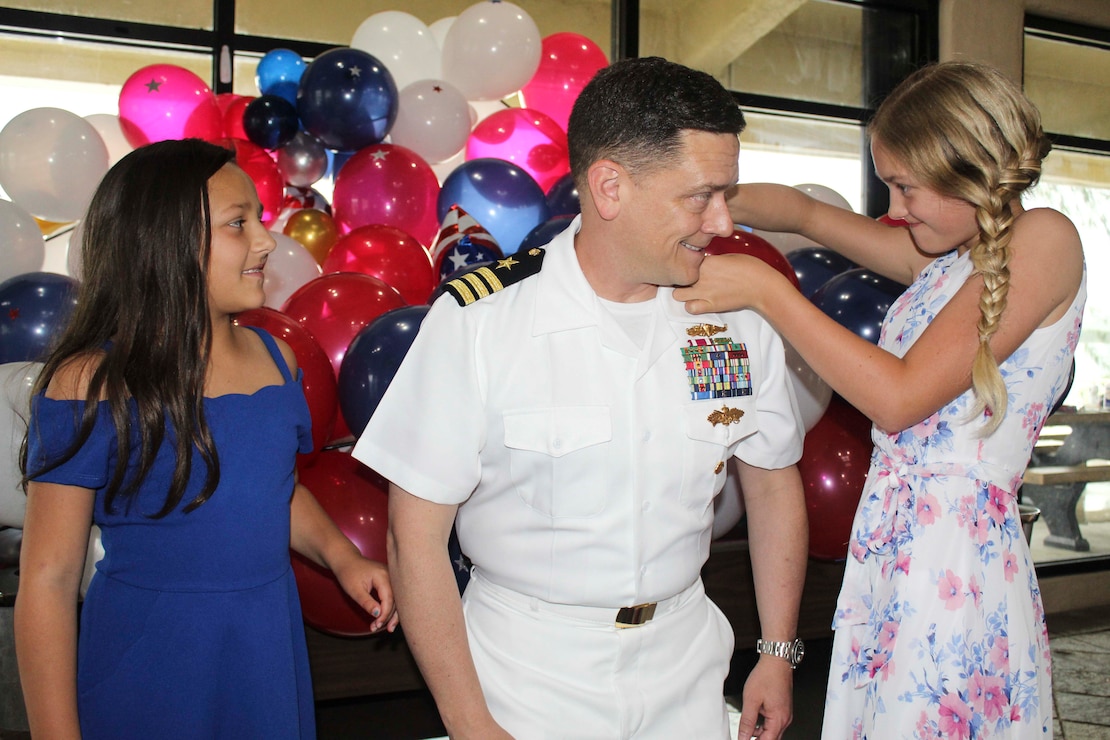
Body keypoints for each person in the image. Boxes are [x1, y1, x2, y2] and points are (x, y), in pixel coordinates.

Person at [353, 56, 808, 740]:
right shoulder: (483, 321)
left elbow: (772, 483)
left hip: (687, 669)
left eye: (728, 194)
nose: (722, 222)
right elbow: (412, 536)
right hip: (526, 679)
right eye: (700, 196)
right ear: (610, 187)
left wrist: (777, 651)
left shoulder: (736, 318)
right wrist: (472, 724)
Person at [674, 60, 1085, 738]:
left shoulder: (1045, 241)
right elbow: (806, 214)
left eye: (906, 186)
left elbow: (898, 399)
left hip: (955, 567)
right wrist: (707, 197)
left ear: (972, 172)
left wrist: (768, 292)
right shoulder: (948, 261)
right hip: (893, 553)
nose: (893, 209)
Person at [15, 138, 398, 739]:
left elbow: (272, 484)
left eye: (259, 221)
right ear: (163, 242)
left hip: (264, 650)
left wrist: (343, 557)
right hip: (148, 663)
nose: (267, 242)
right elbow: (49, 579)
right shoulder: (89, 383)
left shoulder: (277, 360)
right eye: (238, 224)